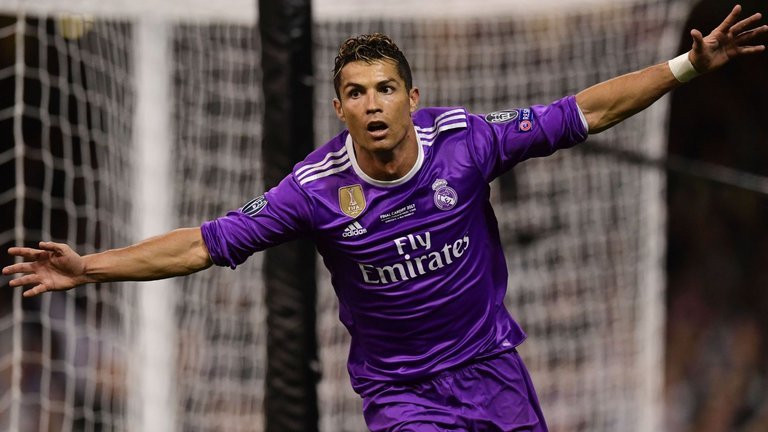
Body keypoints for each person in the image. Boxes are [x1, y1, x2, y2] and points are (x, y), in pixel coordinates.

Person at [3, 5, 766, 431]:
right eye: (357, 92)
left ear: (410, 95)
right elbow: (202, 244)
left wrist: (688, 65)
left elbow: (584, 110)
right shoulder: (314, 189)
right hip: (404, 396)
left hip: (493, 371)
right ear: (339, 107)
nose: (372, 103)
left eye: (385, 88)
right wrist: (88, 266)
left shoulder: (466, 142)